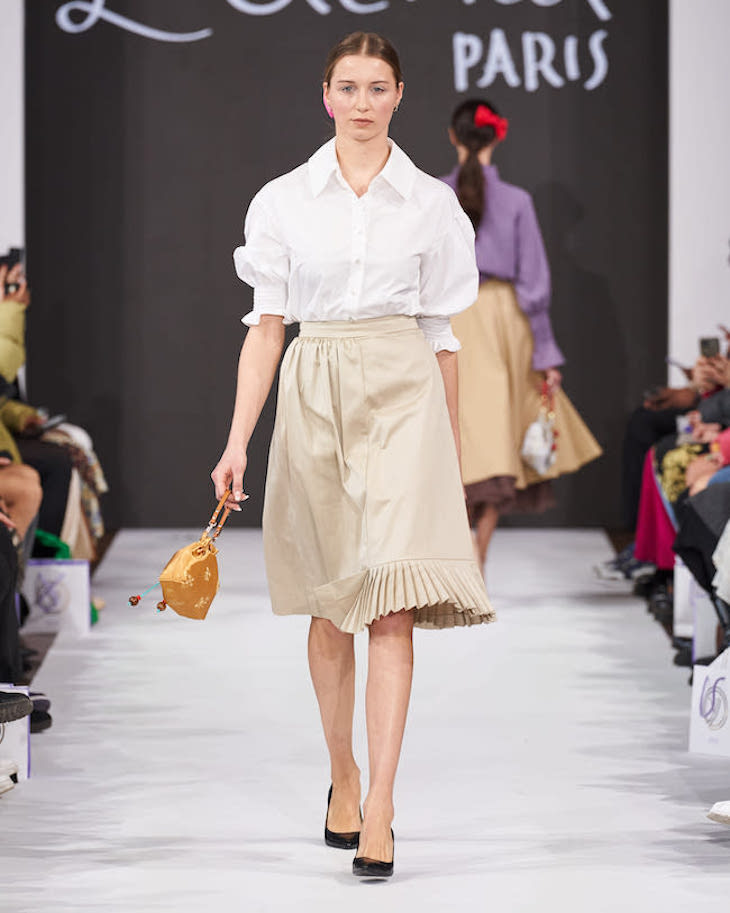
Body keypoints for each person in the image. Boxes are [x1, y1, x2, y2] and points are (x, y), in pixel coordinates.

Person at [211, 32, 494, 879]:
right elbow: (266, 329)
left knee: (392, 606)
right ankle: (343, 773)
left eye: (377, 87)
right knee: (332, 606)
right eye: (348, 86)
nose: (362, 102)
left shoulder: (432, 204)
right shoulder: (284, 200)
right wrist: (237, 439)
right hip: (316, 389)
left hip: (405, 390)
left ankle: (381, 807)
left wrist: (449, 451)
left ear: (399, 95)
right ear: (325, 95)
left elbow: (443, 334)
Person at [441, 100, 601, 572]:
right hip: (502, 321)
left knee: (454, 435)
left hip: (448, 319)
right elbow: (534, 284)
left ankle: (453, 555)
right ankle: (477, 557)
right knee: (497, 437)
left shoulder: (434, 196)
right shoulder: (515, 201)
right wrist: (545, 352)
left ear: (453, 136)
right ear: (498, 136)